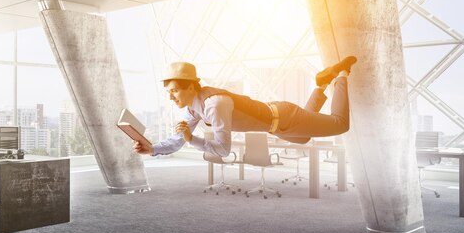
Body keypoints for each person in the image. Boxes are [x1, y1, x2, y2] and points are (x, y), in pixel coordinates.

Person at [133, 57, 356, 157]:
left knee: (341, 124)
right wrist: (152, 149)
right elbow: (178, 140)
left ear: (191, 87)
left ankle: (342, 74)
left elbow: (223, 149)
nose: (171, 97)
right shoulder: (193, 108)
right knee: (304, 138)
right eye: (168, 92)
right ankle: (321, 84)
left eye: (175, 91)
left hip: (286, 117)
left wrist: (193, 139)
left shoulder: (214, 104)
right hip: (277, 125)